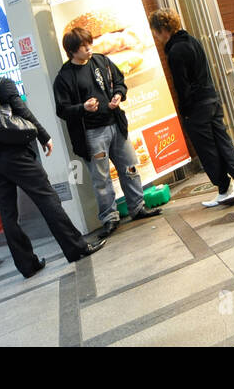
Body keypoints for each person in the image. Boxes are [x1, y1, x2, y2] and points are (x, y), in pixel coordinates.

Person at [0, 44, 103, 277]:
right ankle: (76, 248)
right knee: (47, 200)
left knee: (8, 214)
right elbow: (23, 113)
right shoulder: (2, 85)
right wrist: (44, 136)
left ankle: (26, 265)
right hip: (17, 156)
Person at [53, 27, 161, 237]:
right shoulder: (64, 77)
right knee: (101, 179)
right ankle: (110, 218)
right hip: (92, 134)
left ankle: (137, 207)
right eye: (84, 47)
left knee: (130, 168)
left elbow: (120, 81)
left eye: (89, 44)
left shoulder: (101, 61)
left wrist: (119, 95)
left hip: (116, 125)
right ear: (72, 51)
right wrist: (83, 108)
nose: (89, 49)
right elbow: (62, 109)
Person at [149, 10, 234, 208]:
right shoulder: (193, 41)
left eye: (155, 32)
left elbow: (183, 86)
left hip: (196, 107)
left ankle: (224, 188)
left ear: (163, 30)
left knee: (207, 151)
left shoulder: (175, 51)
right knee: (224, 142)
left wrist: (185, 110)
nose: (156, 37)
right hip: (211, 99)